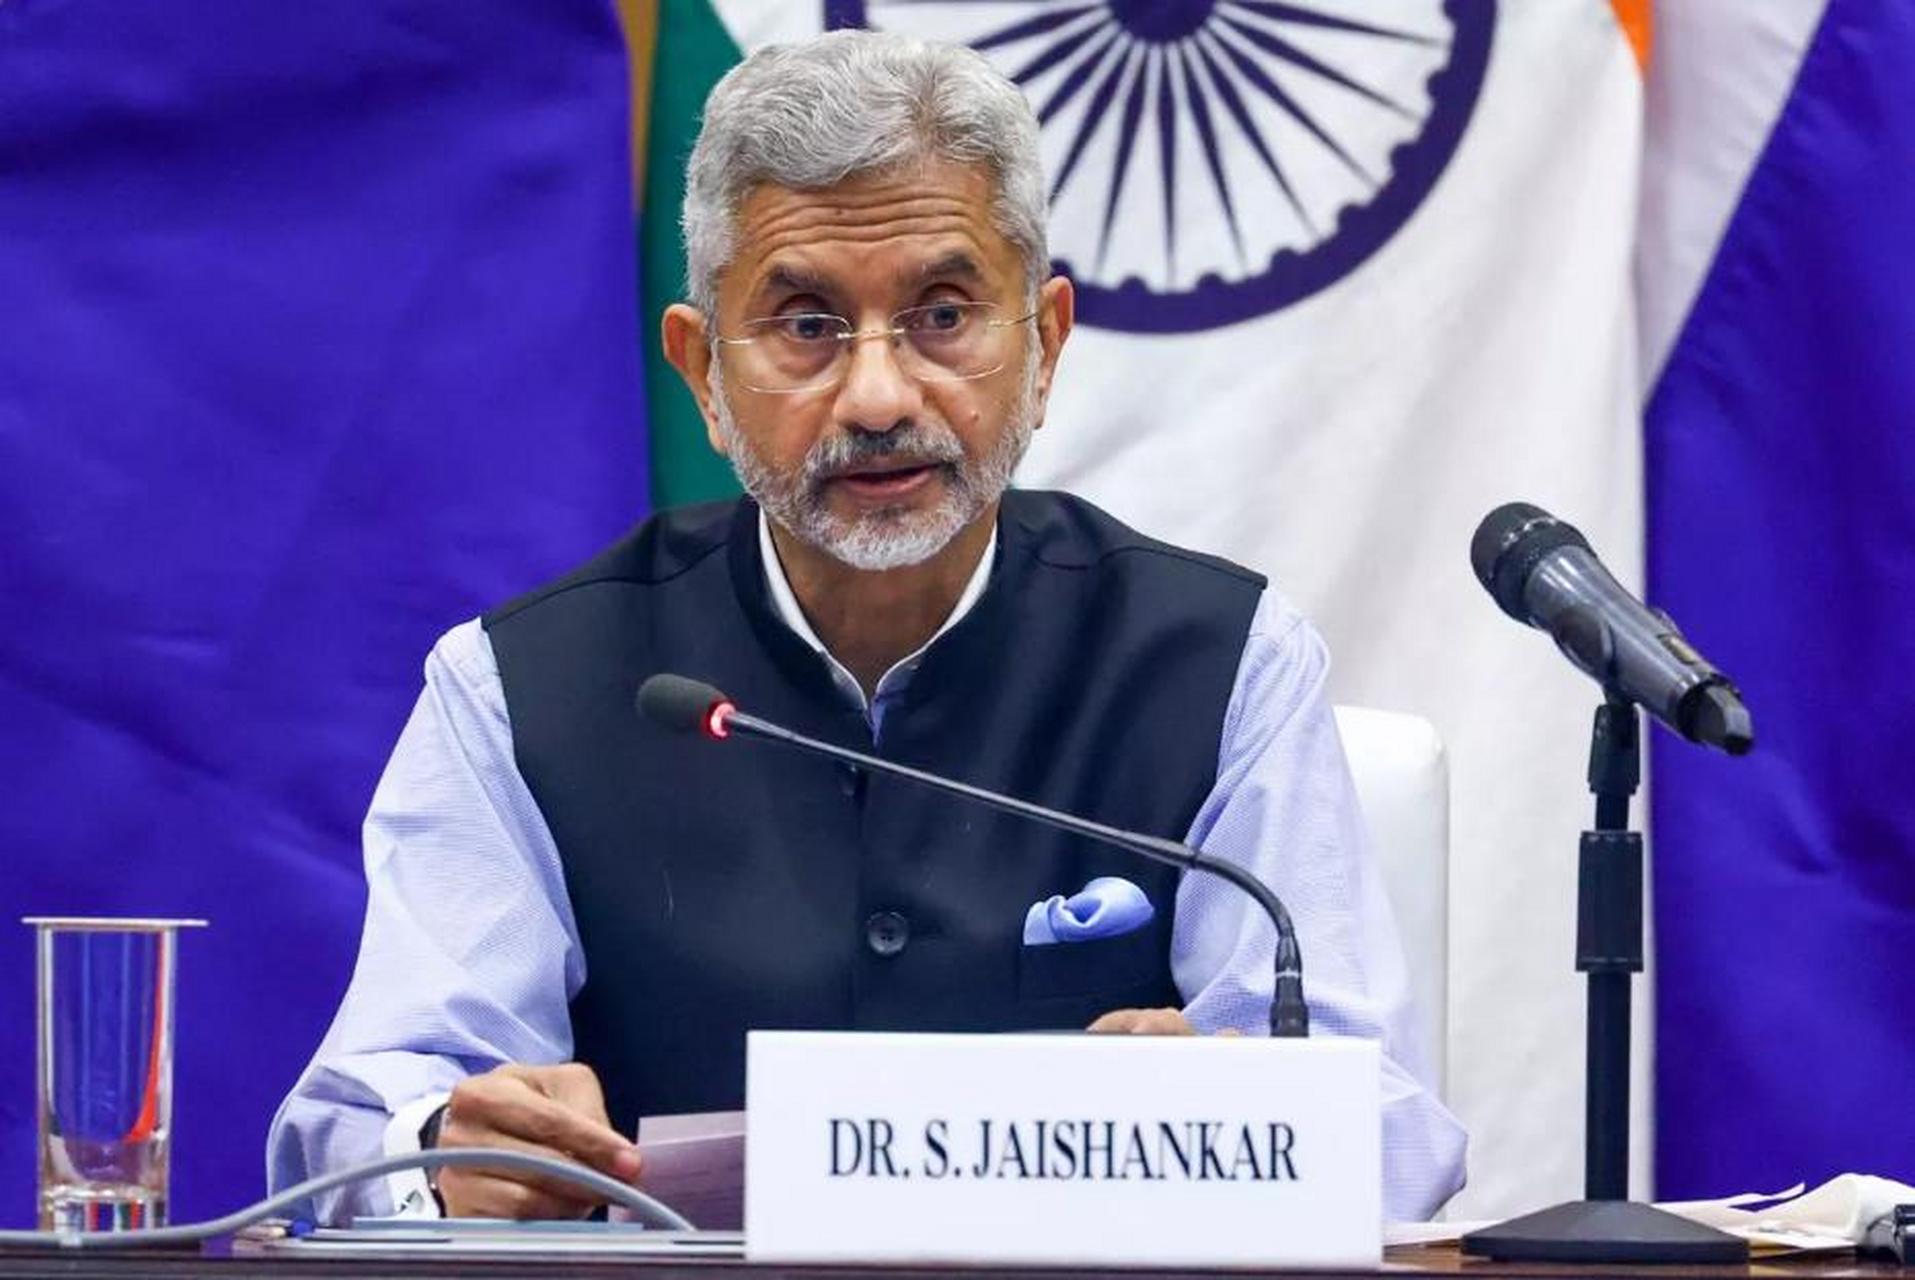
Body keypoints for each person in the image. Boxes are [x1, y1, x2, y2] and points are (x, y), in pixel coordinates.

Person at [267, 29, 1465, 1225]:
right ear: (703, 373)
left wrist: (1248, 1113)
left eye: (942, 314)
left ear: (1044, 345)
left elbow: (1392, 1134)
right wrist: (445, 1149)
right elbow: (359, 1128)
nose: (880, 396)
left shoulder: (1220, 660)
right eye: (805, 325)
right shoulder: (521, 686)